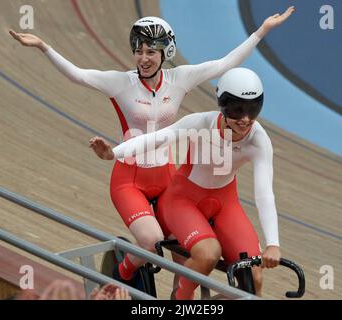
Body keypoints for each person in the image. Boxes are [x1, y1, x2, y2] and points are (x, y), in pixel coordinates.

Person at [10, 8, 293, 288]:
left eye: (150, 52)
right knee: (152, 245)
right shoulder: (121, 82)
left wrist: (261, 31)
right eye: (138, 51)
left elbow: (225, 63)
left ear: (165, 53)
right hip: (130, 178)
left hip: (167, 176)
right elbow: (78, 75)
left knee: (187, 259)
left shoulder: (179, 79)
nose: (143, 59)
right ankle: (121, 273)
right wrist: (44, 47)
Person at [89, 67, 280, 299]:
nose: (246, 119)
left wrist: (273, 243)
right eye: (237, 110)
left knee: (253, 279)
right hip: (183, 200)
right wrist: (114, 153)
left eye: (253, 110)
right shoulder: (201, 123)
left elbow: (264, 194)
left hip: (225, 204)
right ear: (223, 105)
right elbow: (155, 139)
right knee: (208, 254)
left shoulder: (259, 140)